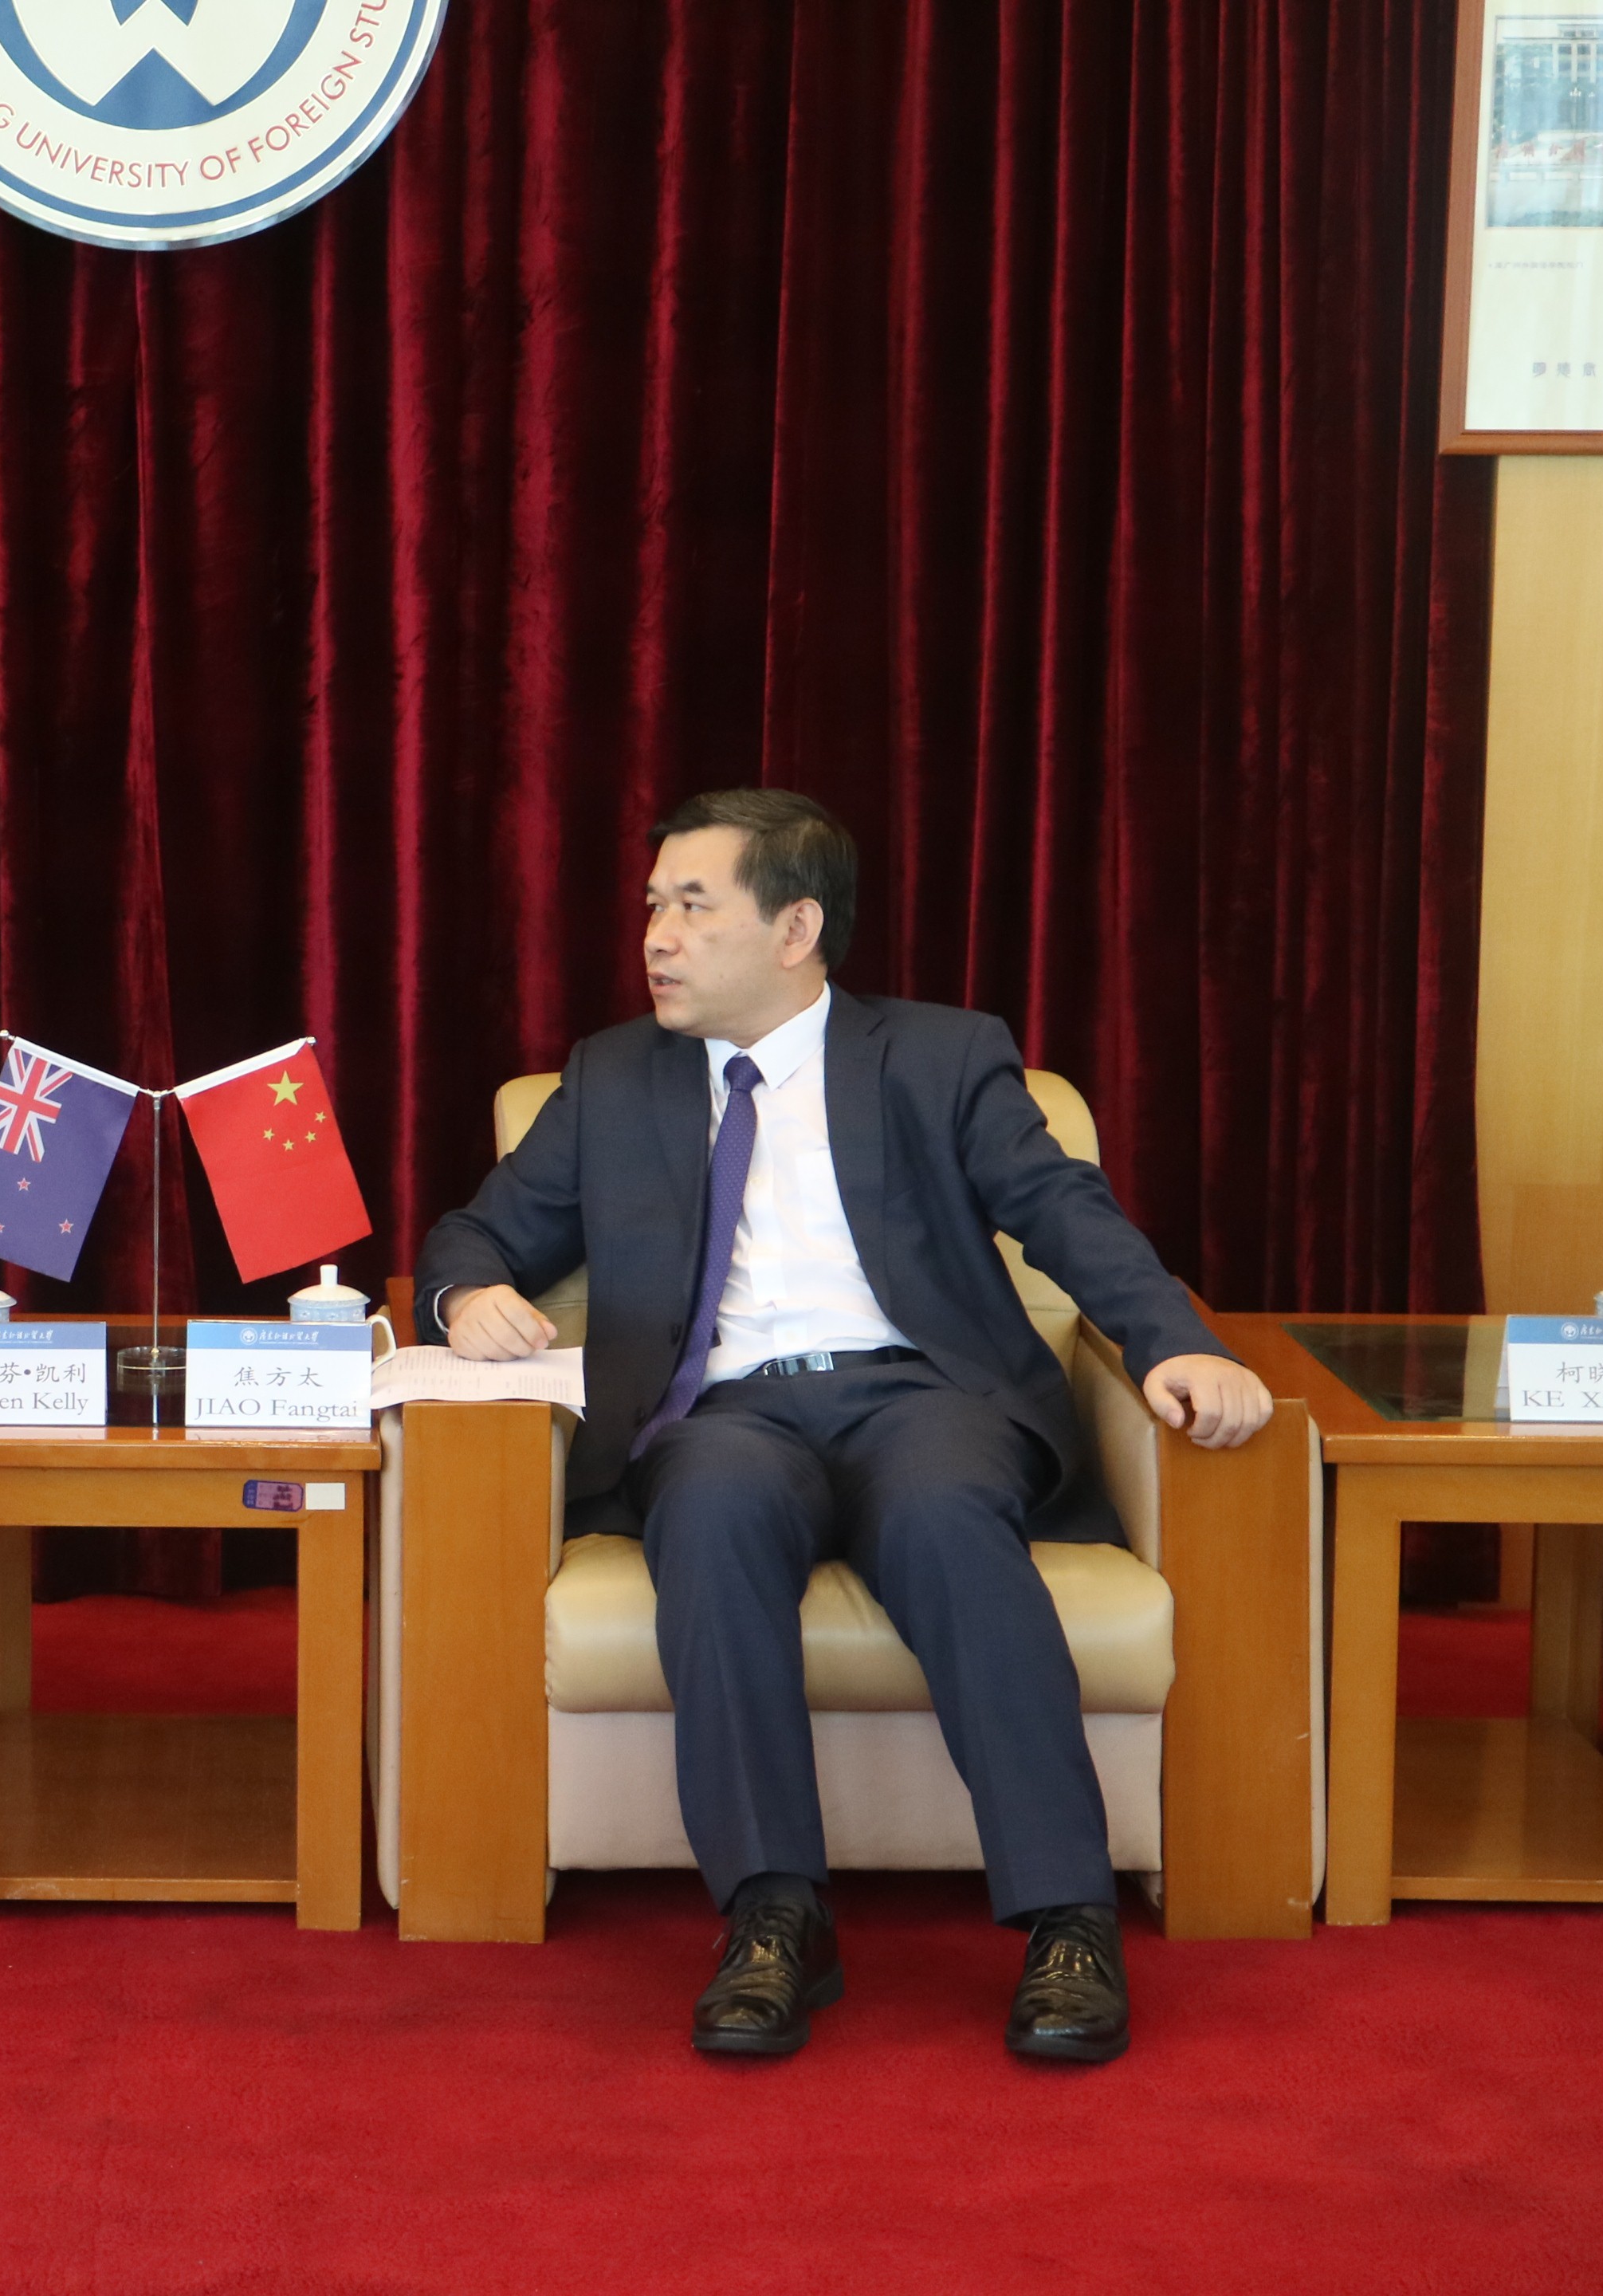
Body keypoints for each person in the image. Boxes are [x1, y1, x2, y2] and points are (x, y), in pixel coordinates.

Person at [413, 788, 1272, 2065]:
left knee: (947, 1520)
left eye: (692, 906)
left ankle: (1068, 1920)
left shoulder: (940, 1055)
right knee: (709, 1517)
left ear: (796, 927)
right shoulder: (611, 1078)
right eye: (652, 907)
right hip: (722, 1412)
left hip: (921, 1396)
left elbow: (1064, 1211)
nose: (655, 937)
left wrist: (1179, 1342)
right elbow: (475, 1232)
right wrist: (467, 1295)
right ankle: (775, 1917)